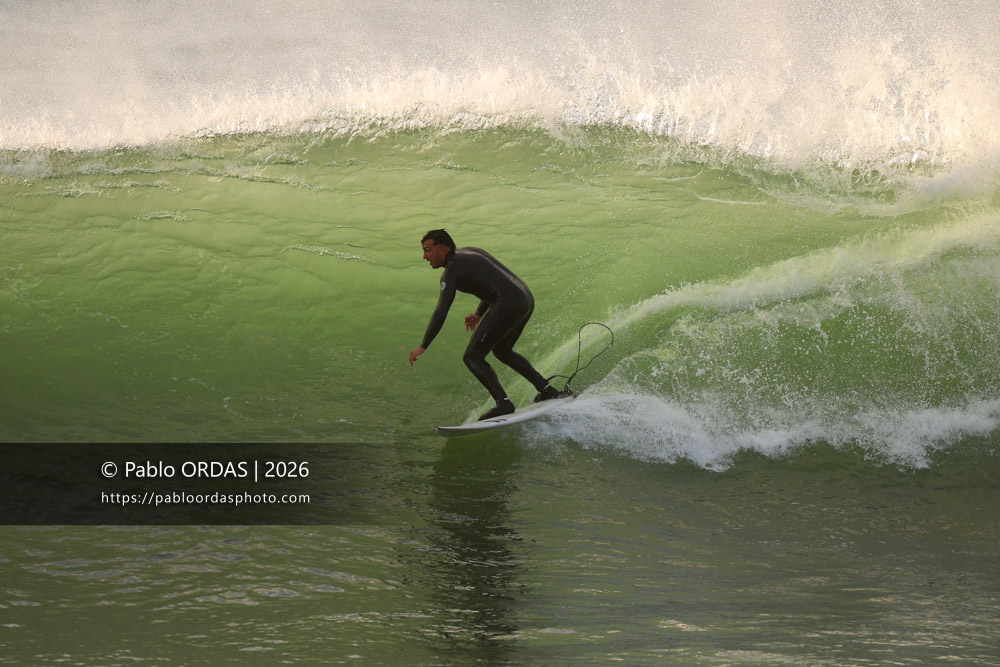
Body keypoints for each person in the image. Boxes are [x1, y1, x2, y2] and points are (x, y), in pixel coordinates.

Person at [409, 229, 571, 420]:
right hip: (524, 298)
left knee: (472, 356)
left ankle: (503, 403)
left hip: (508, 303)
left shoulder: (451, 272)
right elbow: (495, 282)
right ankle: (547, 390)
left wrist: (424, 345)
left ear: (443, 249)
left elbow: (441, 310)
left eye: (428, 250)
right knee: (503, 351)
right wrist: (479, 313)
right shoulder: (471, 252)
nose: (424, 257)